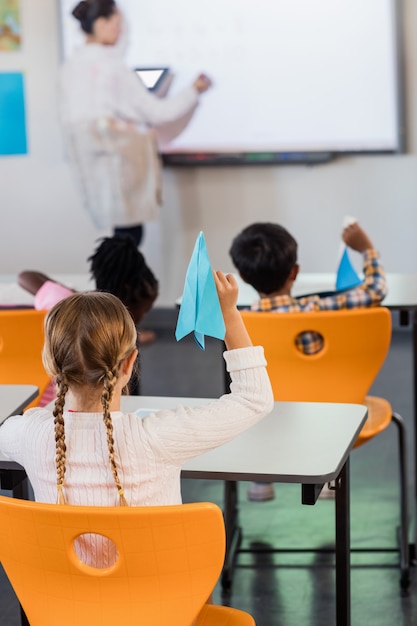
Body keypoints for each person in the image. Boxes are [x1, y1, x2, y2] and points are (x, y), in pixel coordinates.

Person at [0, 278, 274, 567]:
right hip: (164, 610)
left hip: (59, 608)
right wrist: (228, 314)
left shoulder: (29, 434)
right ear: (130, 363)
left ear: (50, 365)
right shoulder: (157, 437)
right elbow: (253, 398)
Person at [229, 220, 388, 502]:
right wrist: (367, 249)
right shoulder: (320, 307)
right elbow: (376, 290)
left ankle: (261, 480)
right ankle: (329, 472)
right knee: (321, 395)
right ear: (295, 271)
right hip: (336, 416)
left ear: (242, 275)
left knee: (253, 393)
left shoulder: (238, 323)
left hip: (267, 421)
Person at [60, 0, 212, 246]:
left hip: (94, 177)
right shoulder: (112, 68)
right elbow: (159, 113)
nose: (121, 32)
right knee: (128, 242)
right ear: (101, 24)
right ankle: (121, 286)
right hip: (121, 171)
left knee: (117, 242)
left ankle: (111, 285)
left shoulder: (70, 68)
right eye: (118, 24)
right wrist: (193, 90)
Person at [18, 234, 159, 400]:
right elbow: (126, 400)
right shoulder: (118, 350)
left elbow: (25, 276)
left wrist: (73, 298)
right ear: (128, 293)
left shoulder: (67, 310)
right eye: (144, 310)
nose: (142, 318)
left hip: (40, 400)